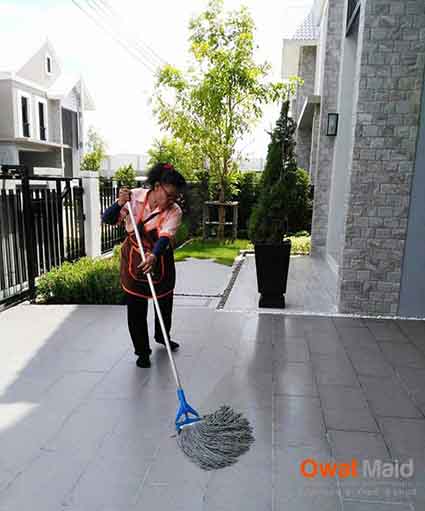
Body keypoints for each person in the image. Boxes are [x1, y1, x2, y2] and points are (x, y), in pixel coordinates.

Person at [102, 162, 186, 368]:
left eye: (176, 197)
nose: (172, 200)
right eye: (170, 195)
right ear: (157, 186)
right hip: (134, 258)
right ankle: (142, 351)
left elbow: (164, 237)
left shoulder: (174, 211)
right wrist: (119, 204)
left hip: (160, 259)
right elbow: (108, 219)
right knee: (136, 309)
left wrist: (154, 255)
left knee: (164, 303)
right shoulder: (133, 197)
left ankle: (162, 336)